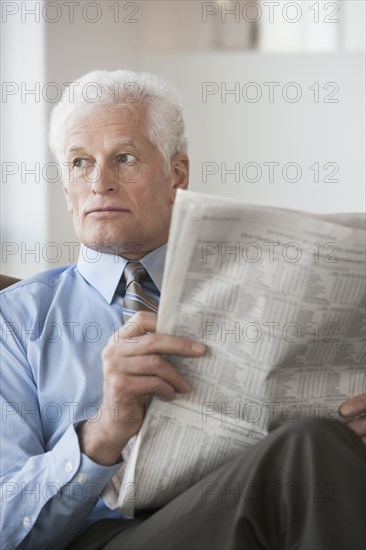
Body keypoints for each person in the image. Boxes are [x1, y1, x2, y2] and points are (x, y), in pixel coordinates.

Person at [0, 69, 365, 550]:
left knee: (319, 450)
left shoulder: (263, 287)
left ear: (177, 175)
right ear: (66, 187)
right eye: (79, 163)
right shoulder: (15, 320)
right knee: (310, 448)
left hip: (255, 506)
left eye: (124, 158)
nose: (100, 182)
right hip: (106, 537)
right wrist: (105, 429)